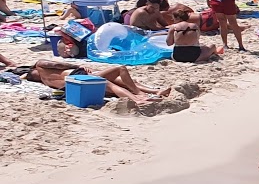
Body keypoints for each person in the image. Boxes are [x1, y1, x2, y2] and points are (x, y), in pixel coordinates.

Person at [12, 58, 171, 104]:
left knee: (117, 81)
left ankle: (154, 92)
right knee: (120, 70)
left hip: (75, 84)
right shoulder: (40, 65)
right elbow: (55, 63)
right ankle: (137, 96)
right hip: (80, 76)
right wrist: (76, 64)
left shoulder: (46, 81)